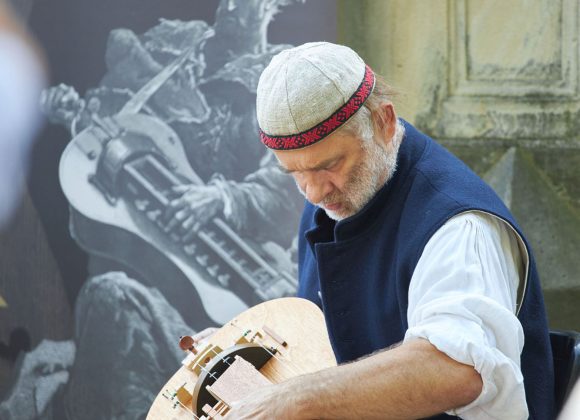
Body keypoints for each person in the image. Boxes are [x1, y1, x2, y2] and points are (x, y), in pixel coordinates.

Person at [221, 42, 555, 419]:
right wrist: (232, 352)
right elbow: (323, 338)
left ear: (384, 121)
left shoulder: (459, 227)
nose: (314, 192)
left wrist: (294, 401)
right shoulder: (337, 193)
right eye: (296, 173)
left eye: (329, 164)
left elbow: (457, 369)